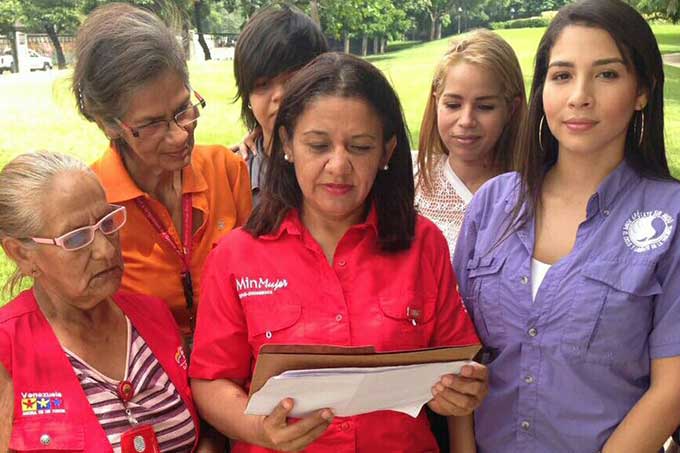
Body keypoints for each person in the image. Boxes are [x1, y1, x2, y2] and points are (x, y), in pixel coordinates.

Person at [188, 52, 488, 453]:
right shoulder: (236, 256)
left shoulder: (423, 244)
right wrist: (260, 429)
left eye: (360, 147)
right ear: (287, 144)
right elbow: (210, 381)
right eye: (318, 145)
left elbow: (457, 365)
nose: (338, 165)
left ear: (387, 152)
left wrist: (464, 388)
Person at [453, 1, 680, 451]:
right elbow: (459, 359)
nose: (579, 95)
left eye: (607, 74)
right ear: (542, 90)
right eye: (561, 75)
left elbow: (671, 389)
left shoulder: (670, 218)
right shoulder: (492, 204)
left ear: (643, 91)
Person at [0, 151, 205, 452]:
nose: (105, 251)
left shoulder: (154, 317)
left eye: (107, 223)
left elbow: (204, 432)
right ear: (21, 254)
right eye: (75, 238)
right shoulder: (8, 348)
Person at [73, 3, 252, 342]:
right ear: (109, 124)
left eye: (184, 108)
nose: (181, 134)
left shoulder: (227, 172)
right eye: (153, 123)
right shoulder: (91, 207)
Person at [415, 29, 526, 257]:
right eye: (453, 105)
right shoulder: (410, 181)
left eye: (485, 107)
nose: (466, 121)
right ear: (436, 102)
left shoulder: (534, 188)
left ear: (511, 109)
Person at [232, 4, 328, 203]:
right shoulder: (231, 175)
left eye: (293, 80)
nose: (280, 95)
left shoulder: (341, 169)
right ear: (247, 96)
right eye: (263, 84)